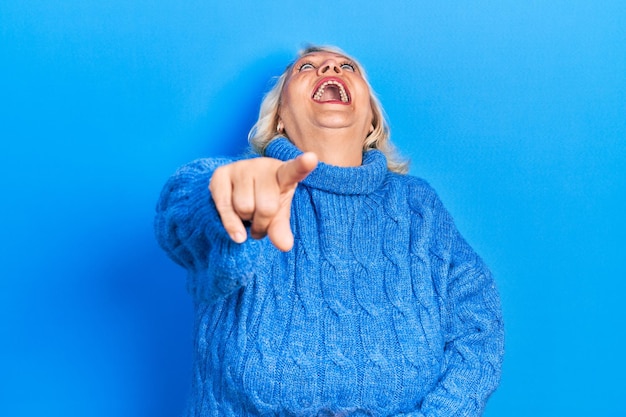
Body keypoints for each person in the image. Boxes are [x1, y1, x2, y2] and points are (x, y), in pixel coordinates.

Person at [154, 45, 504, 417]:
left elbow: (479, 329)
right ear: (279, 120)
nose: (329, 67)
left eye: (346, 65)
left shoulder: (419, 208)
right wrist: (220, 197)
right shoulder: (250, 188)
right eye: (306, 66)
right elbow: (179, 223)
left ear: (371, 120)